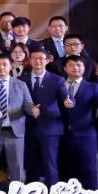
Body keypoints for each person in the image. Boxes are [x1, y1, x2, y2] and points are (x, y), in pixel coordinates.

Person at [0, 54, 36, 189]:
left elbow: (28, 104)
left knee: (17, 167)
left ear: (10, 66)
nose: (1, 67)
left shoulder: (21, 85)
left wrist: (33, 110)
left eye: (4, 64)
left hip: (15, 132)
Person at [60, 55, 98, 189]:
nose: (75, 68)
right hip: (62, 135)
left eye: (78, 65)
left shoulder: (93, 87)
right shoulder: (59, 85)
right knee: (65, 170)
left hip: (86, 135)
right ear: (65, 68)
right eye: (71, 65)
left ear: (84, 68)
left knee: (88, 170)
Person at [21, 49, 68, 186]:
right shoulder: (21, 79)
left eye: (41, 58)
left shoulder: (57, 79)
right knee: (30, 165)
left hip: (50, 128)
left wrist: (69, 102)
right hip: (27, 128)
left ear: (47, 60)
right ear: (30, 61)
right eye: (34, 58)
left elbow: (65, 99)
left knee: (49, 164)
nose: (38, 61)